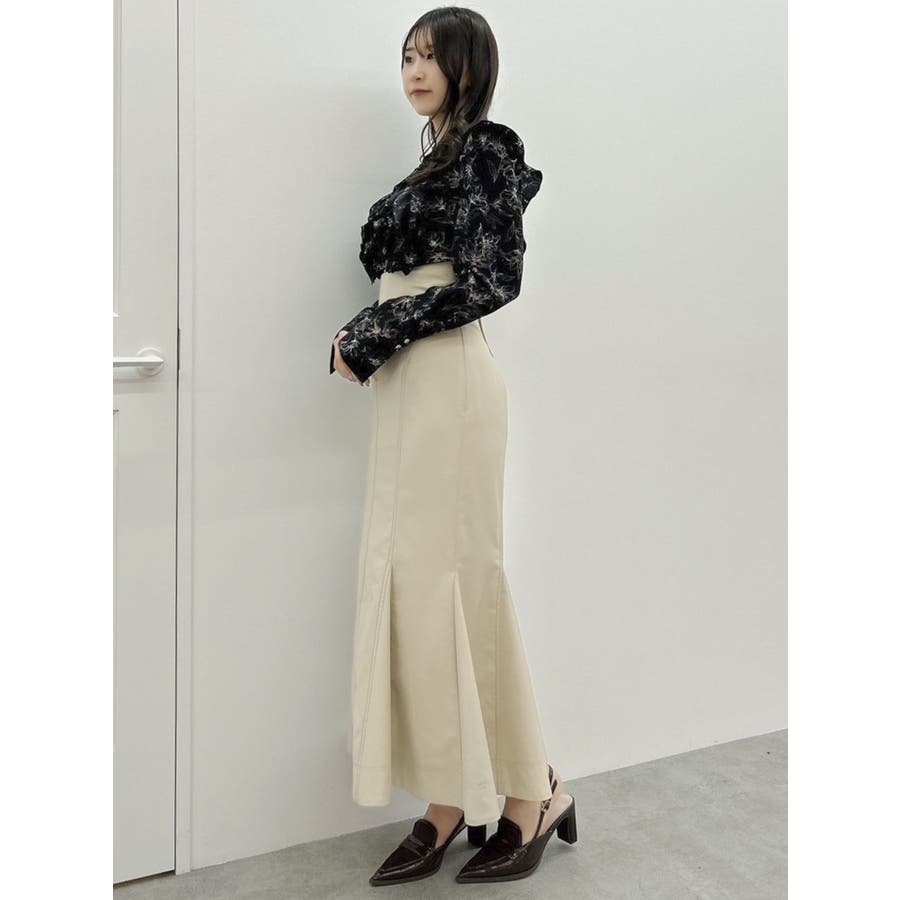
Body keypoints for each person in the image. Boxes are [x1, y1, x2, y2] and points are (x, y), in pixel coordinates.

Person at [329, 7, 577, 886]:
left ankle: (533, 792)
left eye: (431, 55)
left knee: (460, 583)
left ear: (470, 65)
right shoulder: (428, 164)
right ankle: (448, 795)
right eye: (406, 54)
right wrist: (367, 333)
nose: (414, 68)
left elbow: (492, 280)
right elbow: (405, 283)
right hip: (408, 390)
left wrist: (373, 331)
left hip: (453, 390)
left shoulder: (488, 152)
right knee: (412, 585)